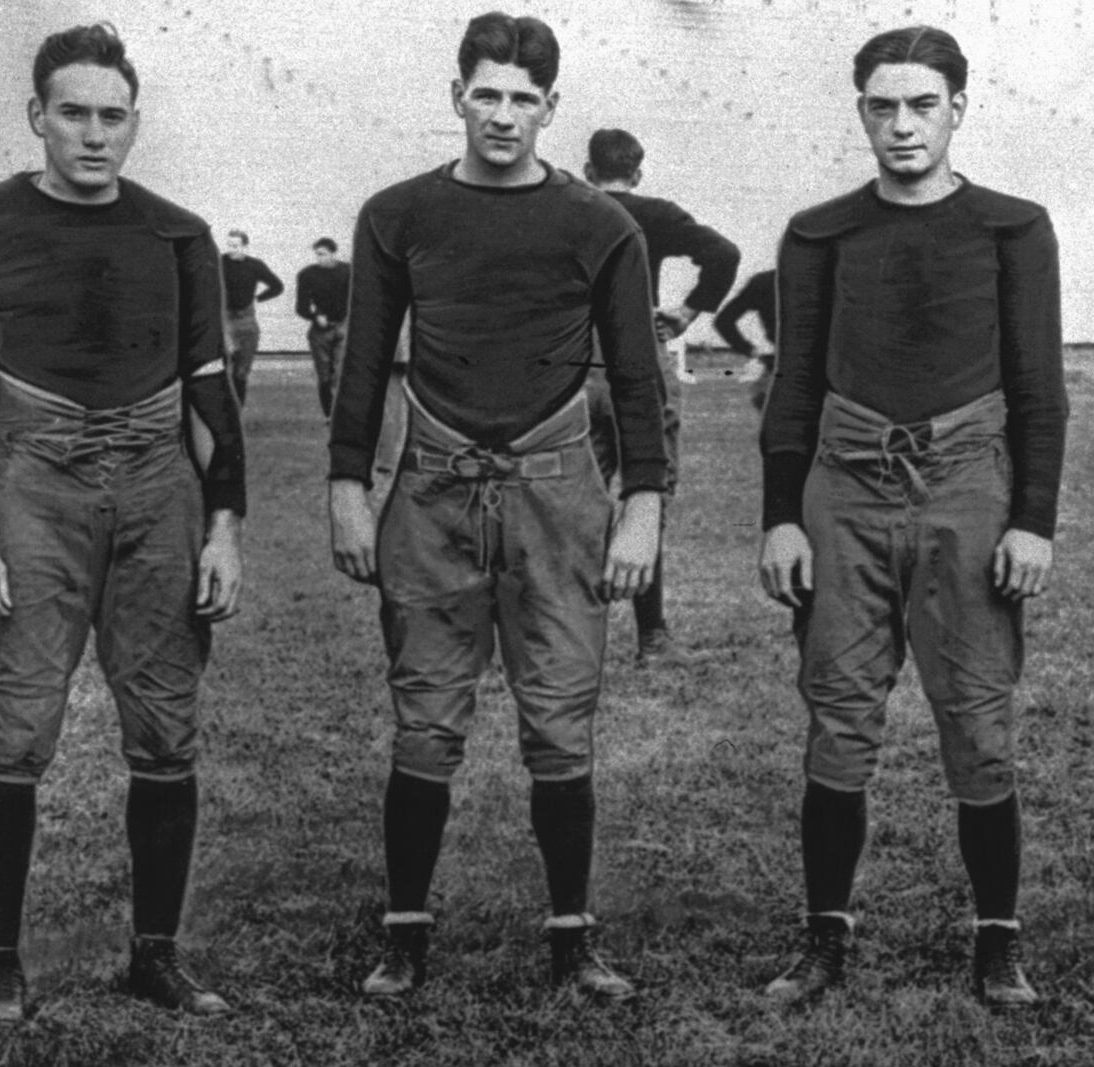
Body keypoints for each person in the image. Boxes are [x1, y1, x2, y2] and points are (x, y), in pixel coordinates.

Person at [327, 11, 666, 1002]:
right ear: (456, 97)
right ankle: (404, 937)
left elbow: (638, 380)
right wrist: (349, 488)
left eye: (525, 98)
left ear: (552, 108)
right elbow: (361, 364)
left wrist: (642, 503)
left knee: (561, 718)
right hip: (431, 490)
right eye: (488, 94)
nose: (504, 115)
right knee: (425, 715)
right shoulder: (397, 216)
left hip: (556, 491)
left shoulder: (602, 225)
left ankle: (573, 939)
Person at [0, 23, 246, 1021]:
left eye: (112, 116)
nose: (94, 135)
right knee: (19, 722)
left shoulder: (178, 233)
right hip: (30, 478)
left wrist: (224, 522)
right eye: (73, 114)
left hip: (157, 485)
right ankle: (2, 959)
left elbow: (209, 387)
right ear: (37, 119)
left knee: (165, 725)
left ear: (133, 122)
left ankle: (156, 953)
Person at [757, 25, 1066, 1008]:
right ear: (861, 113)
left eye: (921, 105)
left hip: (966, 486)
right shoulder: (820, 232)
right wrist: (780, 516)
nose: (901, 125)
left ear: (956, 110)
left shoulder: (1012, 227)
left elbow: (1039, 388)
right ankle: (823, 940)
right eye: (883, 106)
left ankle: (998, 942)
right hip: (841, 488)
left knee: (978, 721)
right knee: (837, 718)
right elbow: (793, 382)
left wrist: (1032, 520)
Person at [582, 127, 739, 663]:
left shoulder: (567, 208)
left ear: (587, 171)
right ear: (638, 172)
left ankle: (567, 634)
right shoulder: (654, 212)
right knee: (646, 497)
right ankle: (652, 638)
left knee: (575, 500)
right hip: (639, 363)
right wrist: (689, 310)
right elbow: (724, 253)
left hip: (574, 365)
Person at [219, 228, 283, 406]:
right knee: (224, 370)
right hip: (226, 320)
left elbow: (277, 286)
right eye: (230, 245)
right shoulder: (219, 263)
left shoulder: (254, 265)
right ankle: (226, 412)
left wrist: (258, 298)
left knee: (241, 372)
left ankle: (238, 409)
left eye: (236, 246)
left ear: (245, 247)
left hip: (247, 321)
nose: (232, 249)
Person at [295, 236, 350, 418]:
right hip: (320, 331)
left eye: (323, 254)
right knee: (324, 374)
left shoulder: (348, 272)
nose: (319, 258)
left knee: (341, 371)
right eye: (317, 255)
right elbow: (301, 307)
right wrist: (315, 315)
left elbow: (358, 299)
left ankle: (342, 413)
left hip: (342, 326)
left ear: (333, 253)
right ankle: (328, 415)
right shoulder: (308, 275)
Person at [712, 267, 777, 409]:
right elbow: (724, 321)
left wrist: (751, 350)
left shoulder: (766, 281)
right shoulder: (827, 278)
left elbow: (724, 321)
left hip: (781, 366)